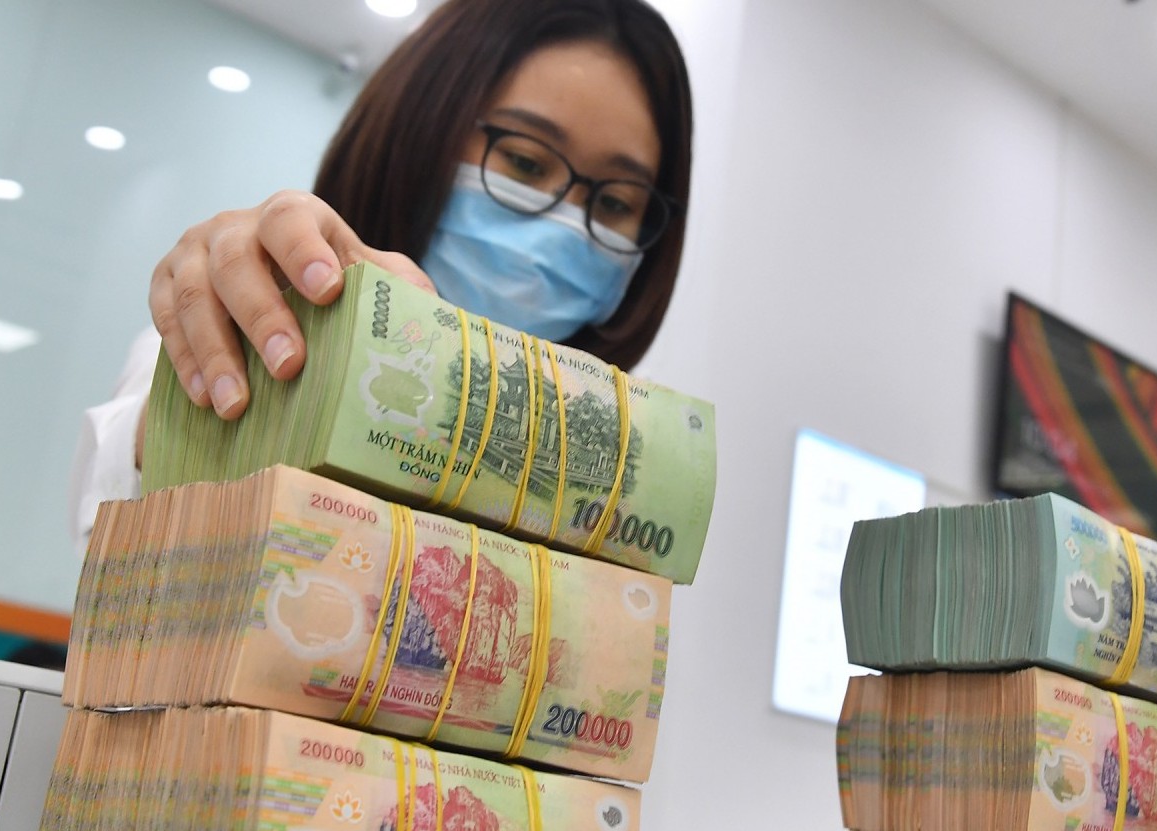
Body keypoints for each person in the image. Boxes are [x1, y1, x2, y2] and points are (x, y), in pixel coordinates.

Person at [68, 0, 694, 557]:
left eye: (617, 202)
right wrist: (230, 363)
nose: (564, 226)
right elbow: (109, 515)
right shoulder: (259, 334)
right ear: (422, 130)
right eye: (526, 162)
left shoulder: (621, 484)